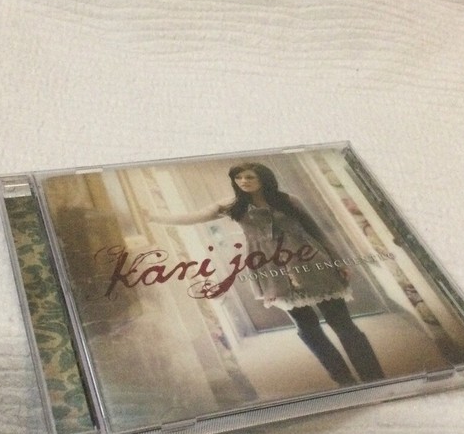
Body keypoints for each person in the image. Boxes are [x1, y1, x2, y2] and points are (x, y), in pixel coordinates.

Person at [148, 162, 384, 386]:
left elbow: (316, 231)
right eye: (238, 178)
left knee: (342, 323)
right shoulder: (233, 206)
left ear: (263, 179)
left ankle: (373, 377)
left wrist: (338, 261)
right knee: (308, 329)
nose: (243, 181)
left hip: (311, 262)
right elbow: (193, 217)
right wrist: (155, 218)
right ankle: (344, 380)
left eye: (249, 177)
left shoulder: (288, 201)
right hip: (272, 270)